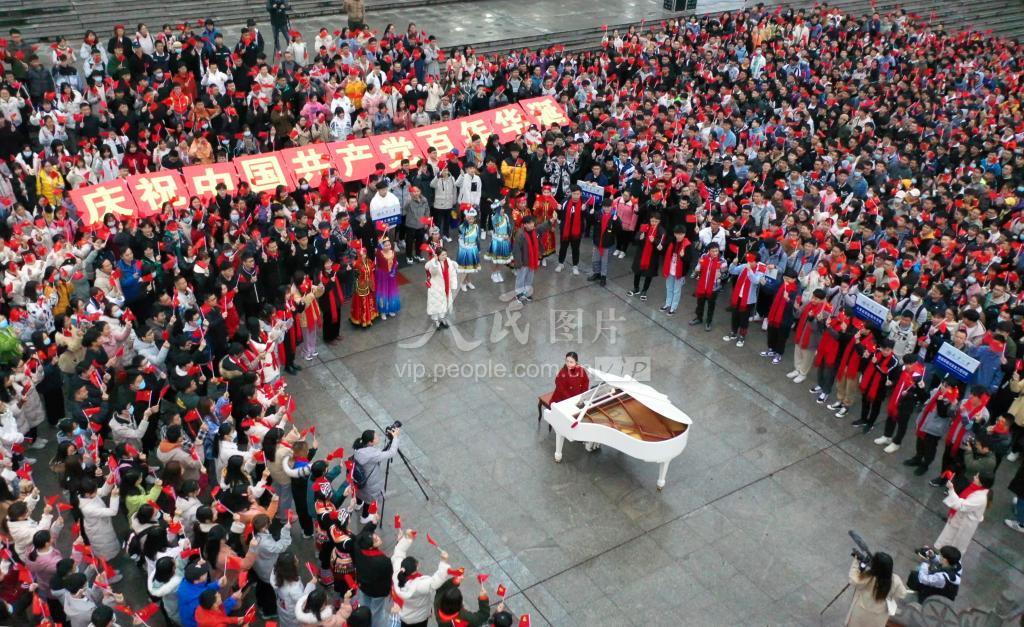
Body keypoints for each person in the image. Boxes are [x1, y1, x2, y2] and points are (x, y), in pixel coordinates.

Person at [391, 529, 450, 627]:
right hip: (418, 618)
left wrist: (408, 538)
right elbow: (435, 582)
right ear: (417, 567)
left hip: (404, 616)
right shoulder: (419, 585)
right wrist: (444, 562)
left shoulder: (397, 572)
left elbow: (398, 552)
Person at [934, 473, 994, 557]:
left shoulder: (980, 498)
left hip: (963, 525)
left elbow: (961, 506)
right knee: (949, 538)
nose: (974, 477)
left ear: (982, 482)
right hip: (960, 519)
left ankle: (946, 559)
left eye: (977, 477)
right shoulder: (976, 489)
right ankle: (941, 556)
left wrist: (951, 490)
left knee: (954, 543)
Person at [351, 427, 401, 522]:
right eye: (376, 437)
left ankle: (358, 504)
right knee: (368, 499)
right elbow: (392, 452)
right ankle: (365, 517)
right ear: (370, 442)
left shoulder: (359, 448)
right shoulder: (372, 454)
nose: (378, 437)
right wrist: (395, 438)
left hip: (359, 479)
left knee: (360, 492)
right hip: (370, 482)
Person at [845, 552, 906, 627]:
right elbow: (902, 594)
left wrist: (856, 564)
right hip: (879, 616)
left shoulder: (869, 577)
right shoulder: (895, 579)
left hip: (862, 612)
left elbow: (854, 580)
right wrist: (890, 594)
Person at [628, 214, 665, 301]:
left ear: (659, 221)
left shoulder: (661, 231)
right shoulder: (645, 227)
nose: (653, 223)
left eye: (656, 221)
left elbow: (662, 246)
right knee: (637, 272)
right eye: (652, 221)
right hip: (641, 253)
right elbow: (636, 238)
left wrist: (655, 241)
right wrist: (639, 238)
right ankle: (636, 288)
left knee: (649, 274)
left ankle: (644, 290)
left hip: (652, 256)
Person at [689, 242, 726, 330]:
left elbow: (726, 274)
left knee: (711, 306)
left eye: (716, 251)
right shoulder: (703, 256)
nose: (715, 253)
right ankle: (699, 318)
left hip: (713, 288)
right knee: (700, 303)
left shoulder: (722, 261)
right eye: (713, 251)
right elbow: (698, 267)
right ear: (709, 251)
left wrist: (721, 275)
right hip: (702, 285)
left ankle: (708, 322)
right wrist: (697, 269)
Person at [424, 246, 458, 329]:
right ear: (438, 255)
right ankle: (436, 321)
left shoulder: (448, 262)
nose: (445, 256)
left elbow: (452, 274)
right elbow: (433, 272)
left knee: (444, 304)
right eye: (442, 255)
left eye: (445, 254)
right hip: (436, 288)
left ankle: (442, 319)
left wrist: (453, 285)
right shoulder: (433, 263)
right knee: (436, 305)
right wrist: (435, 262)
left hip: (446, 286)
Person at [349, 242, 378, 328]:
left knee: (369, 301)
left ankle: (369, 317)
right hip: (361, 286)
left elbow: (371, 269)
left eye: (364, 254)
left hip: (368, 284)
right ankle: (362, 319)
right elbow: (356, 274)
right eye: (361, 255)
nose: (363, 256)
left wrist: (374, 264)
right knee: (362, 303)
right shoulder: (356, 264)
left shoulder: (369, 261)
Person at [374, 238, 401, 320]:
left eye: (389, 245)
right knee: (383, 293)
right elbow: (377, 259)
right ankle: (383, 311)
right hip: (382, 276)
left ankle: (391, 309)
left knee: (391, 292)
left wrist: (394, 270)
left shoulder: (393, 252)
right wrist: (379, 245)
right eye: (385, 245)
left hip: (391, 276)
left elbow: (395, 262)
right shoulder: (379, 253)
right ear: (382, 246)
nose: (388, 247)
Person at [456, 208, 481, 291]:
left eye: (472, 218)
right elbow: (460, 234)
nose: (471, 220)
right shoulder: (462, 227)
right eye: (469, 219)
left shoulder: (476, 227)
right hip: (464, 249)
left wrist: (478, 249)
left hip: (473, 249)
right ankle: (462, 282)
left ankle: (468, 281)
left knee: (470, 268)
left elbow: (477, 239)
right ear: (466, 218)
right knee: (464, 268)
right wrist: (465, 220)